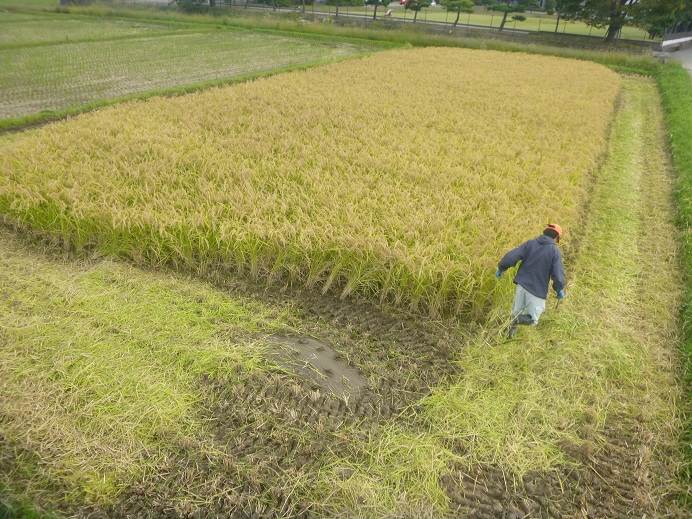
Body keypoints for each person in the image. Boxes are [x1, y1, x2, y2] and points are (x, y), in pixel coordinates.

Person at [496, 224, 566, 338]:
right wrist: (559, 289)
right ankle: (513, 323)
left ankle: (507, 336)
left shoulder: (531, 243)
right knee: (532, 319)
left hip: (521, 285)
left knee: (516, 312)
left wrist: (501, 267)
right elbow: (557, 274)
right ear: (556, 237)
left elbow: (513, 255)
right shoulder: (554, 251)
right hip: (536, 290)